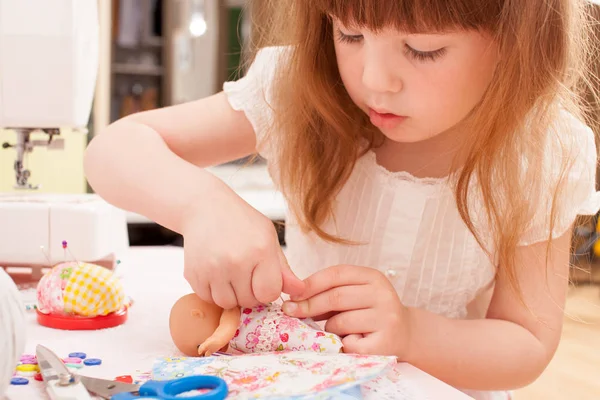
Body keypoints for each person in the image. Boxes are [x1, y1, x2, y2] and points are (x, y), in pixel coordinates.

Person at [84, 0, 600, 398]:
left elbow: (527, 344)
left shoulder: (543, 150)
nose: (373, 79)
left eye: (422, 49)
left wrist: (411, 333)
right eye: (349, 33)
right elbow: (112, 150)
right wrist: (202, 205)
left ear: (520, 39)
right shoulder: (297, 90)